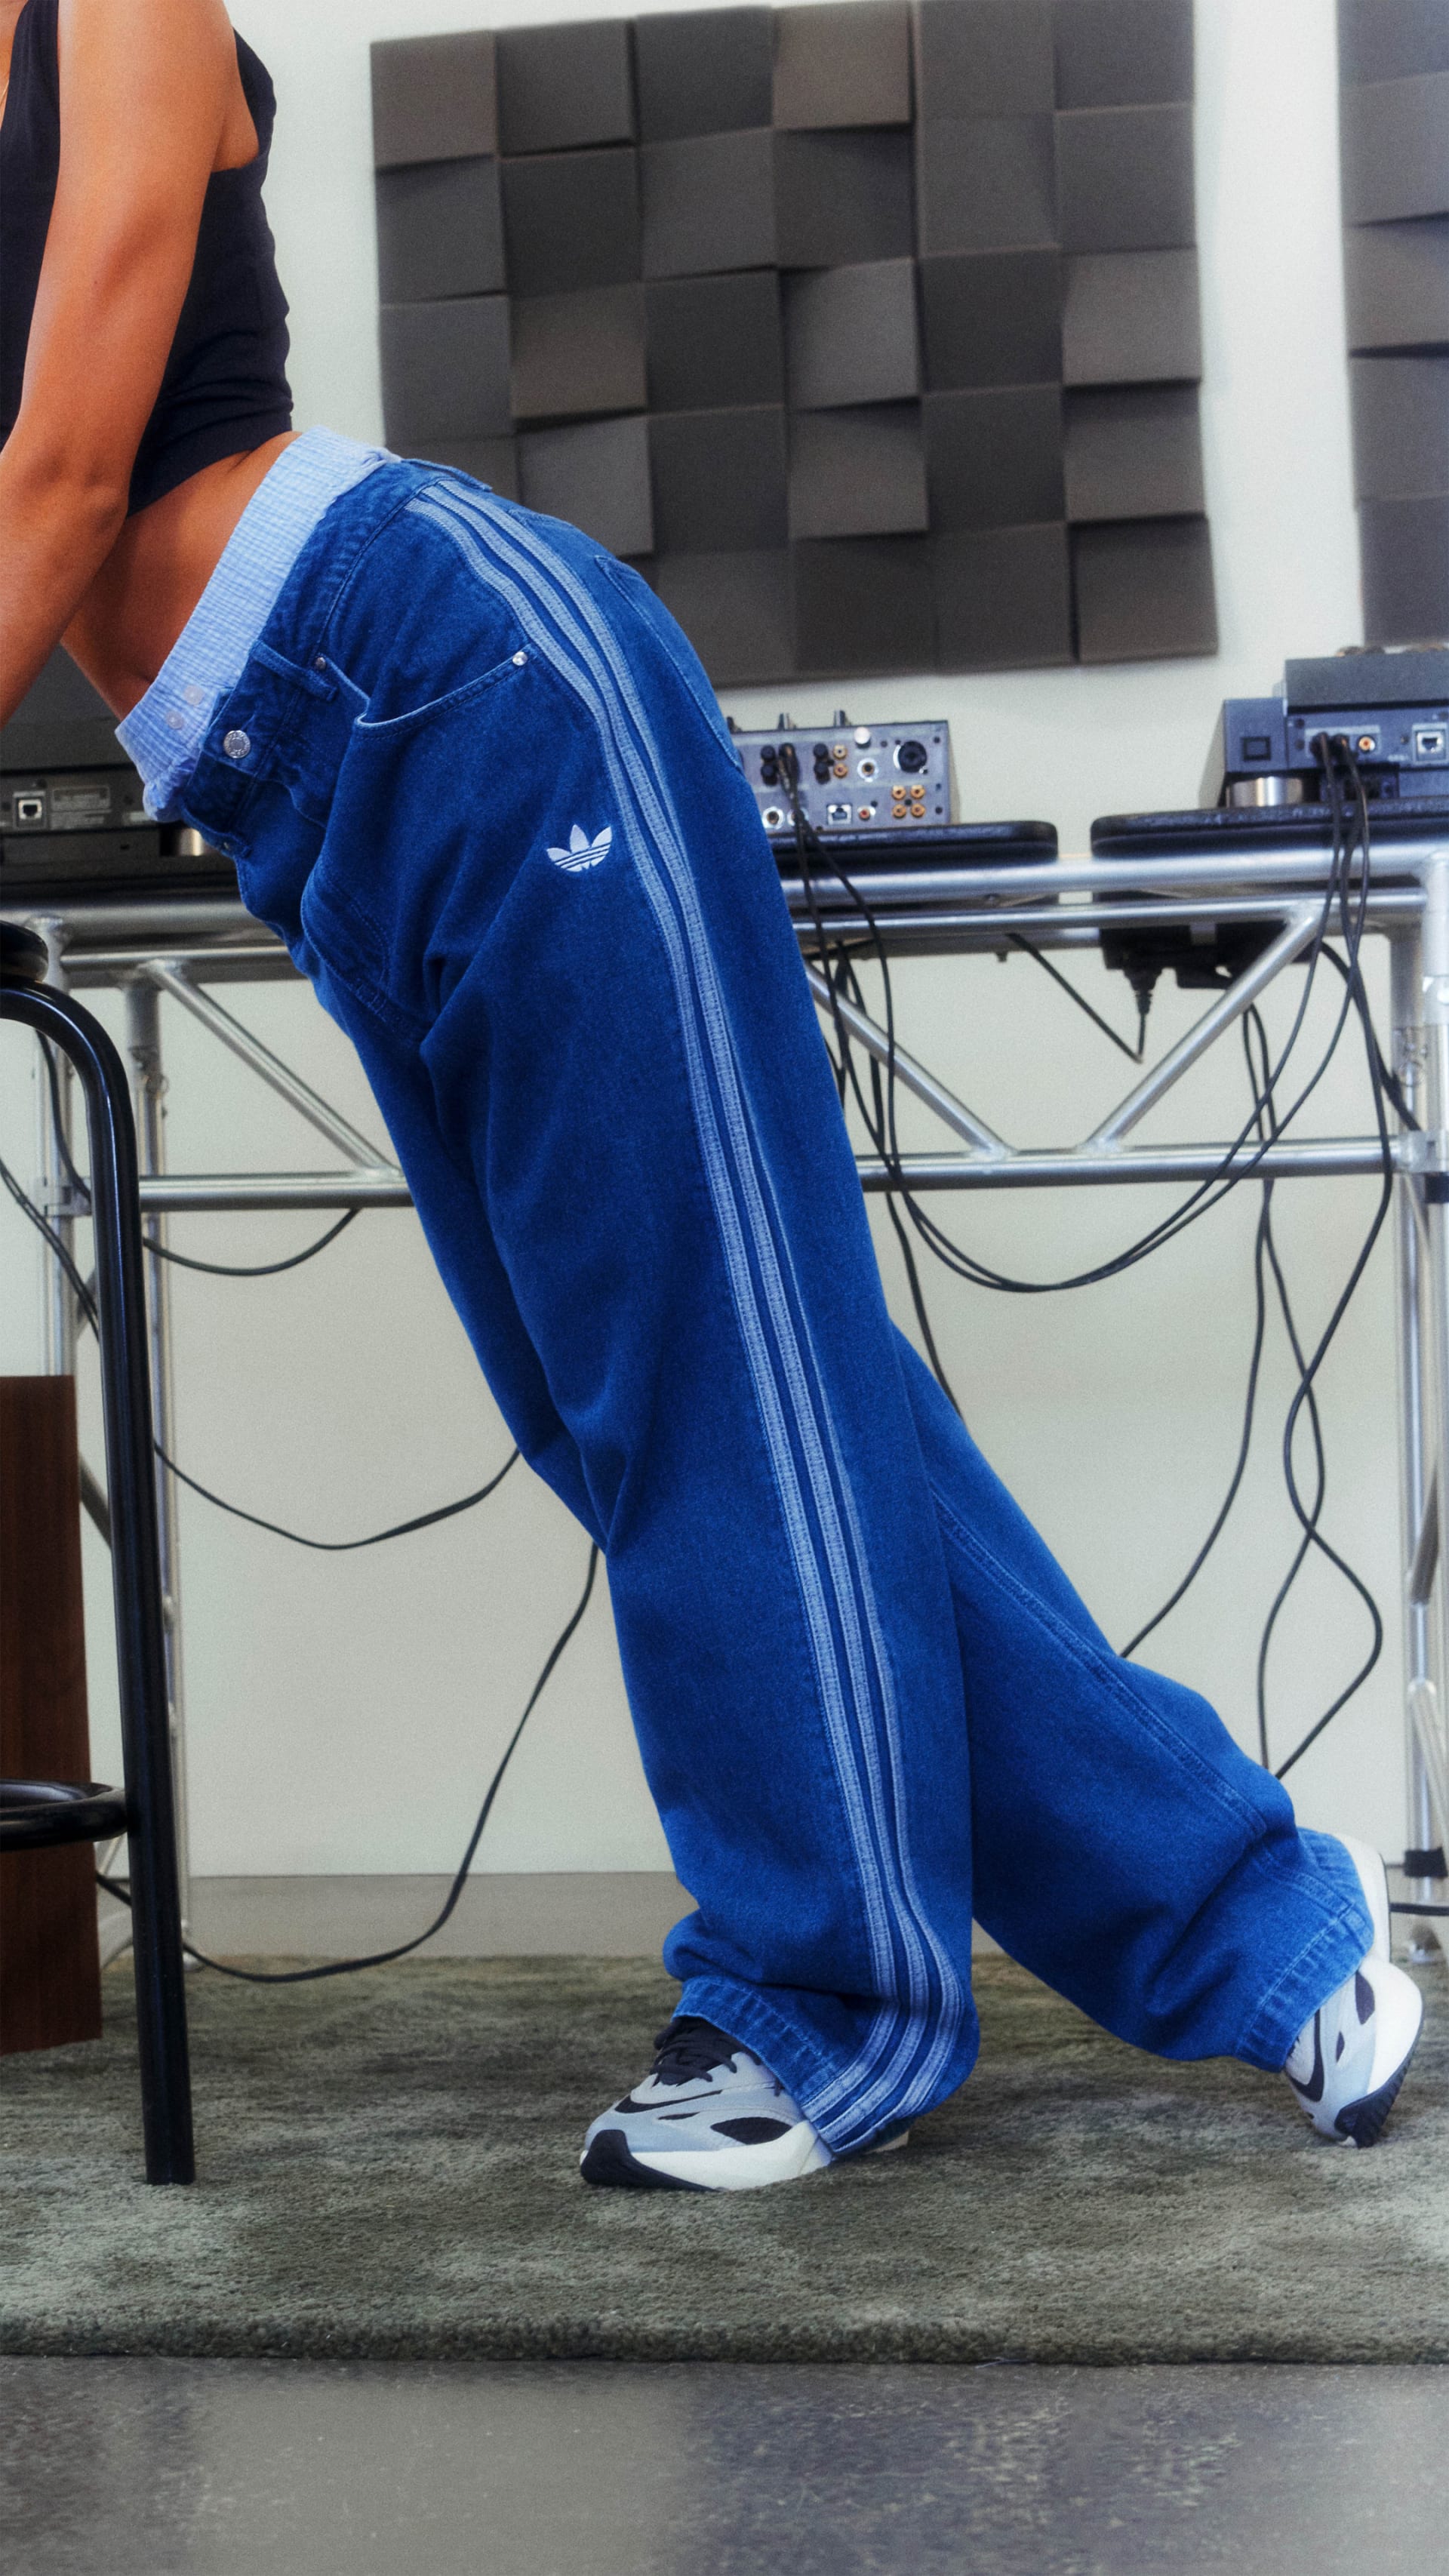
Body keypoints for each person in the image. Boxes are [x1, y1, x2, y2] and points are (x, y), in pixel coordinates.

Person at [0, 0, 1423, 2193]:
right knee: (708, 1393)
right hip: (300, 788)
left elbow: (67, 478)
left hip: (451, 676)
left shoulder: (124, 21)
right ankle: (1263, 1929)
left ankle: (827, 2000)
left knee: (706, 1382)